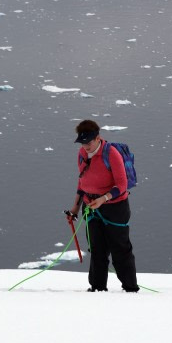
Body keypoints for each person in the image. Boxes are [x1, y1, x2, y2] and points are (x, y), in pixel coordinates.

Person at [67, 119, 139, 293]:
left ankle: (130, 289)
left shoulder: (111, 153)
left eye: (88, 142)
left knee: (120, 249)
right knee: (97, 249)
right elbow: (82, 182)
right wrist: (75, 208)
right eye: (82, 142)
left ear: (98, 138)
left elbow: (121, 185)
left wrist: (103, 199)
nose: (85, 146)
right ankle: (97, 288)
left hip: (115, 208)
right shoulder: (82, 154)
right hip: (90, 206)